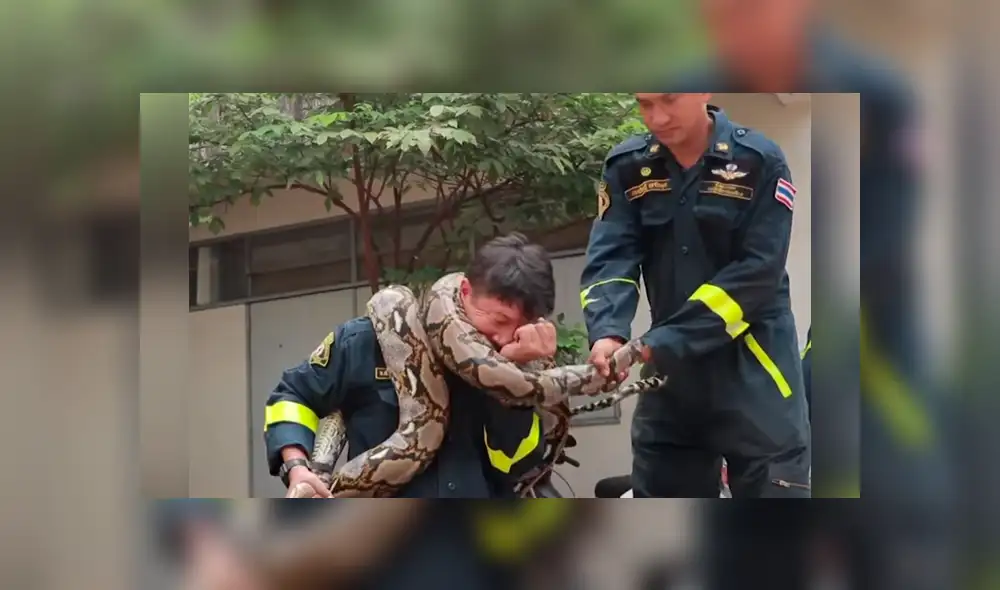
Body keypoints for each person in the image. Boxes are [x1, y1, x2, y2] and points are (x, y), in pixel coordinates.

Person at [581, 93, 810, 498]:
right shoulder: (628, 167)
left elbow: (756, 276)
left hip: (756, 371)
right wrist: (608, 333)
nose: (657, 117)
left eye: (669, 100)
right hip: (672, 382)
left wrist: (656, 343)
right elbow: (611, 258)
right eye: (644, 103)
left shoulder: (758, 161)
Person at [264, 232, 561, 499]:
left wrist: (514, 377)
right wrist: (296, 467)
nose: (505, 338)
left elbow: (516, 465)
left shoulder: (517, 363)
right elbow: (291, 396)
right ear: (465, 291)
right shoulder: (364, 341)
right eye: (499, 320)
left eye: (519, 327)